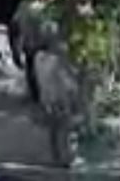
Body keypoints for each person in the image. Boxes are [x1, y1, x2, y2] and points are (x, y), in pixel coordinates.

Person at [35, 38, 85, 168]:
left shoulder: (39, 58)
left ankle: (56, 156)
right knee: (69, 130)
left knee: (54, 129)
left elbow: (41, 80)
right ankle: (69, 158)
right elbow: (63, 83)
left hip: (47, 98)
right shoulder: (58, 63)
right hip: (60, 99)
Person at [11, 0, 57, 103]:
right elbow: (15, 27)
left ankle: (37, 96)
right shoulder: (28, 6)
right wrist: (16, 48)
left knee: (38, 72)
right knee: (33, 71)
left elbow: (15, 26)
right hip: (35, 45)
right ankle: (36, 96)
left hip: (47, 46)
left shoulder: (54, 4)